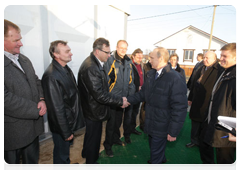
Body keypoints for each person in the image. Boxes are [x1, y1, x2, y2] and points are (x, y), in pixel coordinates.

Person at [126, 47, 188, 170]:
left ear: (160, 59)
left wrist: (173, 130)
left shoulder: (175, 78)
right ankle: (161, 157)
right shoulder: (151, 74)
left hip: (163, 124)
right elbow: (142, 94)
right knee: (154, 148)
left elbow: (180, 107)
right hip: (151, 121)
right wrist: (127, 100)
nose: (149, 60)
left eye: (152, 58)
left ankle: (158, 161)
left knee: (155, 154)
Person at [78, 37, 128, 170]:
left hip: (93, 108)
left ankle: (86, 153)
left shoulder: (94, 63)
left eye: (109, 52)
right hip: (94, 110)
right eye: (106, 52)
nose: (109, 55)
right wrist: (119, 101)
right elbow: (99, 95)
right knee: (94, 138)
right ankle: (92, 164)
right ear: (97, 51)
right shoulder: (91, 67)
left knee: (90, 136)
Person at [4, 19, 47, 170]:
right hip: (12, 132)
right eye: (16, 40)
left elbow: (35, 80)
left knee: (32, 165)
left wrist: (41, 99)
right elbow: (5, 98)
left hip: (32, 129)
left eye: (20, 39)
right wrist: (35, 108)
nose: (21, 44)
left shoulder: (24, 59)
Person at [193, 43, 238, 170]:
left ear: (236, 57)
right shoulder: (224, 71)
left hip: (228, 126)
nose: (221, 58)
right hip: (212, 119)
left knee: (224, 158)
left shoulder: (236, 76)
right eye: (220, 55)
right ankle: (208, 166)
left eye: (225, 56)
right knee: (204, 142)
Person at [42, 40, 85, 170]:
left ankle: (65, 166)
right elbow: (56, 108)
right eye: (67, 51)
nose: (71, 54)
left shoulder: (64, 68)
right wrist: (65, 131)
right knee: (61, 152)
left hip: (68, 120)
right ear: (56, 54)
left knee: (64, 151)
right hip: (62, 124)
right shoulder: (52, 76)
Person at [103, 40, 135, 157]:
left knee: (118, 121)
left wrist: (129, 97)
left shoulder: (128, 61)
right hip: (113, 98)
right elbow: (105, 81)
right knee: (111, 124)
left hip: (124, 99)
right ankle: (108, 145)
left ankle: (116, 139)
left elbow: (131, 81)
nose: (123, 50)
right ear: (116, 47)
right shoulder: (110, 60)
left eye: (125, 48)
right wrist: (109, 96)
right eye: (121, 48)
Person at [186, 51, 224, 148]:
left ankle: (203, 143)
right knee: (195, 123)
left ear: (214, 59)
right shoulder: (200, 68)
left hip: (208, 103)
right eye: (204, 57)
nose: (205, 59)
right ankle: (194, 140)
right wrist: (190, 98)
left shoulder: (219, 70)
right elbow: (194, 84)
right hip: (196, 101)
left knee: (205, 125)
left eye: (208, 58)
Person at [130, 48, 145, 136]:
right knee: (130, 113)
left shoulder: (141, 65)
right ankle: (127, 131)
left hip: (140, 92)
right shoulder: (130, 65)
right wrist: (137, 87)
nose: (140, 59)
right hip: (133, 93)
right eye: (138, 57)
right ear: (133, 56)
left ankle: (133, 128)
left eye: (141, 57)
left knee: (135, 111)